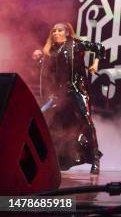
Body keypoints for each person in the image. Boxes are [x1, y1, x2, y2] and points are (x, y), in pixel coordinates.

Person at [32, 22, 105, 175]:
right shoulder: (52, 51)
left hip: (79, 89)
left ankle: (95, 156)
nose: (56, 33)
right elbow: (49, 72)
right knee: (54, 122)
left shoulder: (76, 44)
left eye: (59, 30)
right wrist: (39, 56)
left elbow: (99, 47)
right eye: (54, 31)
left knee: (86, 121)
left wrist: (95, 64)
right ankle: (58, 158)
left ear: (66, 33)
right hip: (62, 93)